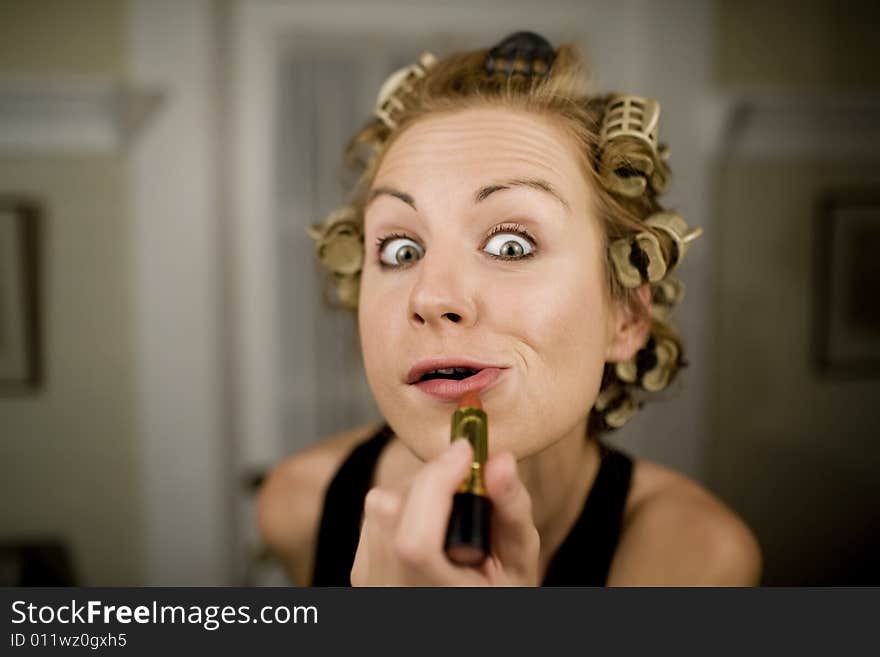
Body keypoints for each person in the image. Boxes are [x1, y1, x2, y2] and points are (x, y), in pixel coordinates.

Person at [257, 32, 762, 586]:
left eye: (511, 245)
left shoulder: (695, 559)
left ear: (626, 318)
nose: (431, 297)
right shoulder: (299, 506)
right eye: (401, 250)